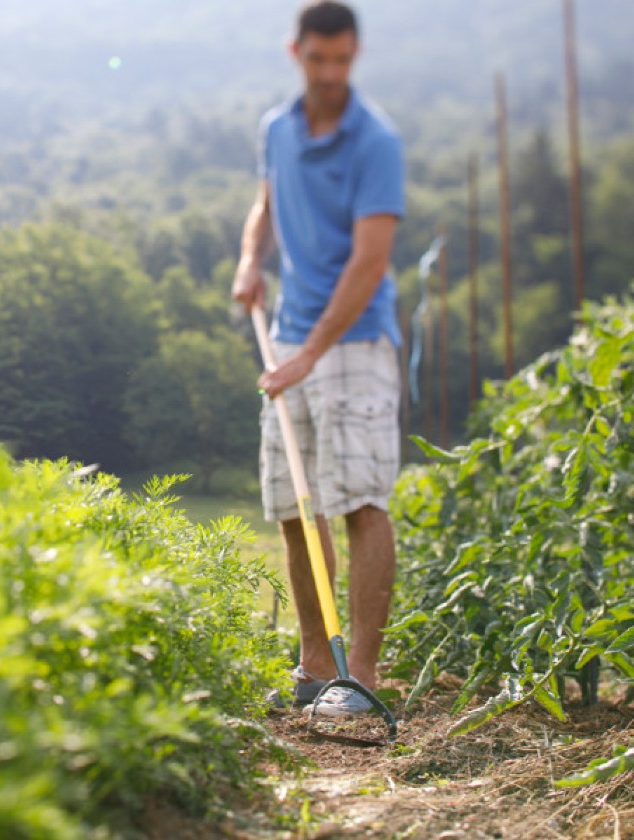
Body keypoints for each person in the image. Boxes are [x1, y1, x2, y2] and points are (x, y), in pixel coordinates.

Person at [231, 0, 404, 716]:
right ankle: (313, 668)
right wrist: (250, 261)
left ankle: (359, 675)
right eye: (317, 60)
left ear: (354, 55)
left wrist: (310, 353)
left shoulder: (376, 142)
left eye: (342, 61)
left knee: (360, 501)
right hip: (293, 334)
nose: (330, 74)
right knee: (293, 507)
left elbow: (370, 262)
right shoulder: (278, 129)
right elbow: (266, 203)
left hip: (354, 337)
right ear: (295, 51)